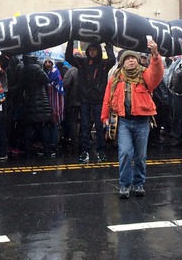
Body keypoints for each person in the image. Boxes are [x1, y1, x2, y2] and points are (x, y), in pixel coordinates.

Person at [101, 39, 164, 199]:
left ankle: (138, 183)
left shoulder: (145, 75)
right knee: (125, 154)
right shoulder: (115, 77)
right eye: (128, 58)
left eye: (133, 58)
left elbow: (157, 73)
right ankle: (124, 185)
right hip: (123, 122)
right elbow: (107, 98)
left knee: (140, 156)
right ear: (122, 62)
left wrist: (155, 54)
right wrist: (104, 117)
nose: (131, 60)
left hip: (142, 122)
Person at [66, 41, 116, 163]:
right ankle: (85, 151)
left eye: (94, 50)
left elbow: (112, 60)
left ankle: (101, 151)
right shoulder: (82, 63)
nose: (92, 52)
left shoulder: (103, 64)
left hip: (98, 100)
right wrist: (71, 41)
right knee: (84, 127)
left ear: (98, 51)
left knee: (100, 127)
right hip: (85, 100)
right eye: (90, 50)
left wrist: (108, 44)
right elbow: (68, 57)